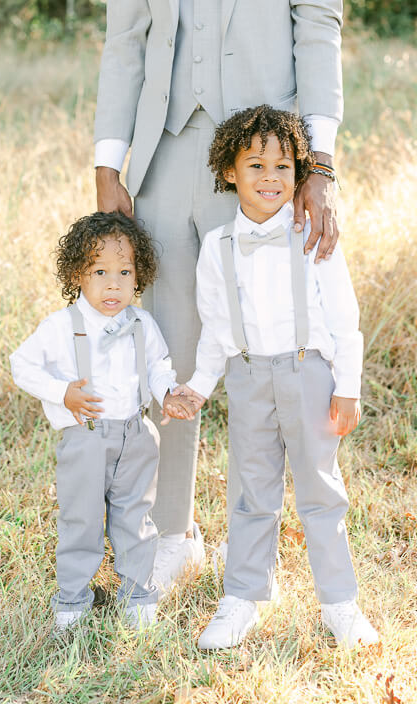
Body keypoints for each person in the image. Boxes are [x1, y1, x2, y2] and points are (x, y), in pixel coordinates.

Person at [94, 0, 345, 590]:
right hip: (167, 154)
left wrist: (320, 165)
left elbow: (320, 29)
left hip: (267, 171)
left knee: (273, 349)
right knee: (164, 342)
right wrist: (108, 163)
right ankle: (170, 534)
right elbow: (123, 41)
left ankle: (268, 549)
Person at [164, 105, 378, 651]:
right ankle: (242, 599)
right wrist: (198, 386)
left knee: (321, 493)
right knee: (252, 493)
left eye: (283, 166)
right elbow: (215, 331)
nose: (269, 177)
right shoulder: (217, 248)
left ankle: (339, 605)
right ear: (229, 171)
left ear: (299, 174)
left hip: (310, 374)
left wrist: (348, 386)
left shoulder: (314, 234)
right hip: (248, 378)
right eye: (255, 164)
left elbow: (344, 317)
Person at [9, 212, 192, 632]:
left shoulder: (142, 324)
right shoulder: (62, 327)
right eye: (101, 271)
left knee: (135, 515)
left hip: (136, 434)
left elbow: (158, 366)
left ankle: (137, 594)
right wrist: (63, 392)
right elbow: (22, 365)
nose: (114, 284)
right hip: (86, 438)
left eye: (125, 272)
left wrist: (167, 392)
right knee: (82, 517)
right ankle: (72, 599)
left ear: (138, 275)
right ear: (78, 273)